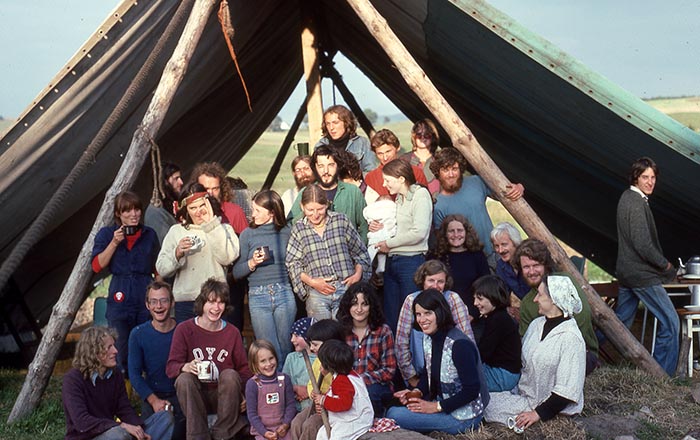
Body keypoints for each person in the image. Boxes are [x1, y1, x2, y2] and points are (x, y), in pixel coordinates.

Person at [484, 275, 586, 432]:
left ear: (554, 299)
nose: (535, 299)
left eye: (540, 294)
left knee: (485, 406)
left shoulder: (571, 338)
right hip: (526, 394)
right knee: (481, 399)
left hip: (548, 405)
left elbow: (567, 390)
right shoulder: (536, 325)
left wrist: (537, 414)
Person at [387, 290, 488, 435]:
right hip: (442, 402)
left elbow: (472, 390)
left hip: (464, 417)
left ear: (440, 312)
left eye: (428, 313)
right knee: (393, 403)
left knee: (394, 415)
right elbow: (429, 372)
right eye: (418, 314)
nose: (422, 319)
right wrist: (417, 392)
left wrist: (435, 407)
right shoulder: (429, 337)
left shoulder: (460, 345)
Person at [166, 279, 252, 440]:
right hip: (195, 395)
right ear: (202, 303)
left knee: (230, 375)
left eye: (221, 303)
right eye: (211, 302)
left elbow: (244, 369)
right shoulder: (184, 329)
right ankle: (198, 436)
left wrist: (245, 394)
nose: (216, 308)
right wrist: (184, 366)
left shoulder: (232, 332)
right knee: (183, 379)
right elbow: (171, 367)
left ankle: (222, 435)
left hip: (224, 396)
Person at [615, 157, 678, 375]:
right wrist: (666, 266)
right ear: (636, 178)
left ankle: (588, 354)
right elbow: (643, 245)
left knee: (617, 325)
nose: (650, 182)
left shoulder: (630, 198)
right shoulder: (634, 201)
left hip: (627, 273)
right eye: (645, 177)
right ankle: (661, 377)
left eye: (653, 178)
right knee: (671, 323)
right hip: (640, 275)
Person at [91, 190, 159, 375]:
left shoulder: (149, 235)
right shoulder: (106, 234)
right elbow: (97, 265)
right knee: (120, 347)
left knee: (145, 344)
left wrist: (161, 295)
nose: (133, 214)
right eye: (127, 211)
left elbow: (157, 267)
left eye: (137, 209)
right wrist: (114, 242)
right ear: (118, 214)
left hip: (144, 292)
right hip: (119, 294)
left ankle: (142, 390)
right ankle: (123, 390)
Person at [63, 326, 173, 440]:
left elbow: (124, 409)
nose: (115, 351)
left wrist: (139, 429)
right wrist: (121, 426)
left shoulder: (115, 375)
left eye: (114, 345)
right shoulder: (72, 380)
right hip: (91, 436)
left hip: (114, 431)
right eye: (109, 347)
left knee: (165, 418)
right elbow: (82, 423)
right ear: (94, 352)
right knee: (119, 434)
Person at [156, 183, 239, 322]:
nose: (199, 211)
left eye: (202, 206)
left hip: (215, 300)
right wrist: (177, 254)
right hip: (186, 301)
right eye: (193, 208)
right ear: (186, 210)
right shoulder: (177, 231)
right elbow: (162, 269)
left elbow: (227, 258)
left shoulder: (224, 229)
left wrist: (211, 225)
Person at [514, 238, 599, 373]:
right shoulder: (527, 303)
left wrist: (555, 347)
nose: (531, 271)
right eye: (526, 267)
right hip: (544, 359)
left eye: (536, 265)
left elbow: (582, 316)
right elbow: (527, 341)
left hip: (581, 352)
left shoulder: (564, 281)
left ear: (545, 265)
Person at [285, 185, 371, 319]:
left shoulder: (340, 221)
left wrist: (358, 274)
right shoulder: (299, 229)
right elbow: (292, 263)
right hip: (317, 294)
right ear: (302, 207)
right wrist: (313, 282)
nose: (315, 214)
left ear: (327, 205)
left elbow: (360, 252)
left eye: (320, 209)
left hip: (345, 289)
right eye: (310, 210)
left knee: (346, 334)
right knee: (322, 336)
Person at [431, 147, 524, 266]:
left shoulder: (476, 182)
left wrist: (519, 187)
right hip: (468, 261)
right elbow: (443, 241)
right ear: (438, 172)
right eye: (445, 170)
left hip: (495, 252)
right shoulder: (438, 204)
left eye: (454, 169)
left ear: (461, 169)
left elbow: (505, 193)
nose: (451, 174)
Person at [233, 190, 296, 362]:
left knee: (286, 346)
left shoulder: (287, 232)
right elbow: (236, 272)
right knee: (268, 348)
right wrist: (252, 262)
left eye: (257, 211)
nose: (252, 214)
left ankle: (287, 385)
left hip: (284, 291)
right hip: (258, 295)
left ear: (272, 212)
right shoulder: (248, 234)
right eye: (253, 209)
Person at [374, 158, 432, 332]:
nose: (384, 184)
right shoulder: (399, 199)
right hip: (393, 261)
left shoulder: (420, 195)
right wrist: (380, 227)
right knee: (392, 316)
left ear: (401, 179)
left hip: (411, 261)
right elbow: (398, 228)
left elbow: (419, 232)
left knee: (411, 316)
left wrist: (388, 243)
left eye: (388, 180)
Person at [395, 260, 474, 387]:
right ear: (423, 281)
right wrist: (411, 377)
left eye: (440, 282)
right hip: (421, 373)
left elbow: (467, 337)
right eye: (431, 280)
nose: (436, 286)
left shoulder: (453, 299)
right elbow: (401, 342)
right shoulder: (411, 300)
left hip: (452, 374)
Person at [128, 281, 185, 440]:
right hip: (153, 396)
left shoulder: (184, 330)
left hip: (181, 396)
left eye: (164, 300)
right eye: (153, 301)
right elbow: (134, 374)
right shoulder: (138, 334)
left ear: (172, 302)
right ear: (147, 305)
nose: (158, 306)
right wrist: (154, 401)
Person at [336, 282, 396, 417]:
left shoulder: (383, 331)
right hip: (347, 385)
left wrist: (359, 379)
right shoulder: (341, 332)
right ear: (348, 306)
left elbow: (389, 370)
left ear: (371, 307)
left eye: (364, 304)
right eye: (354, 304)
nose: (359, 309)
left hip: (376, 386)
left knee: (369, 393)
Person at [288, 146, 368, 243]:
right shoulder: (305, 192)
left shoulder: (353, 192)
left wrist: (358, 253)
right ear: (315, 168)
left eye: (330, 165)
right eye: (321, 166)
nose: (326, 171)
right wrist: (307, 211)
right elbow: (290, 225)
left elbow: (365, 226)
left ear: (337, 166)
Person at [289, 319, 346, 440]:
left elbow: (341, 395)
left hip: (333, 411)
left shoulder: (341, 365)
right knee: (296, 423)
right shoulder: (318, 361)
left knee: (310, 426)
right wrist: (313, 394)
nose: (311, 348)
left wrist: (324, 400)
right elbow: (311, 383)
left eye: (315, 345)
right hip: (318, 406)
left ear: (329, 344)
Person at [311, 340, 374, 440]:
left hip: (355, 421)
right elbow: (336, 394)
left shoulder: (342, 381)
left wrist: (323, 400)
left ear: (329, 365)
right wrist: (323, 400)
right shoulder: (348, 374)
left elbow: (344, 404)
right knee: (322, 434)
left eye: (322, 363)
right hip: (351, 418)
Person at [434, 214, 490, 319]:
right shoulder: (437, 256)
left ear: (466, 232)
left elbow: (485, 287)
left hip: (473, 312)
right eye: (451, 231)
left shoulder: (477, 255)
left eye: (460, 230)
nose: (456, 234)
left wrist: (473, 314)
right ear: (445, 234)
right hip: (444, 313)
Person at [471, 275, 521, 392]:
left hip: (503, 375)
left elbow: (483, 352)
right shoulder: (495, 316)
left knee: (460, 379)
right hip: (498, 369)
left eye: (480, 299)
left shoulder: (499, 320)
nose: (475, 303)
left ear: (493, 297)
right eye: (474, 298)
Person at [245, 340, 296, 440]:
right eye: (263, 361)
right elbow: (251, 414)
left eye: (271, 358)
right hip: (262, 431)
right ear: (255, 364)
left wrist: (285, 425)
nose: (268, 364)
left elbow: (291, 405)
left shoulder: (285, 379)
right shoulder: (252, 384)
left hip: (283, 429)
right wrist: (264, 432)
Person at [364, 129, 428, 200]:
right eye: (380, 154)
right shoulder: (371, 178)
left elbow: (424, 200)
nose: (385, 158)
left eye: (388, 151)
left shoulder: (415, 172)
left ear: (398, 148)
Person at [315, 105, 377, 174]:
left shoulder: (362, 143)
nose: (331, 127)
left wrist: (353, 178)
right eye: (328, 124)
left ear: (346, 123)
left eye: (335, 123)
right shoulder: (321, 145)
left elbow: (371, 173)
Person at [191, 161, 248, 235]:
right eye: (206, 189)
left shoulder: (235, 213)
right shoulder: (190, 213)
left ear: (222, 188)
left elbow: (246, 242)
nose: (210, 193)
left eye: (215, 189)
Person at [282, 317, 318, 411]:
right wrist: (296, 389)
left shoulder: (322, 359)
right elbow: (284, 383)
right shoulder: (291, 358)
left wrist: (308, 391)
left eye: (297, 335)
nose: (292, 340)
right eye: (292, 335)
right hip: (295, 408)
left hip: (316, 409)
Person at [145, 161, 184, 245]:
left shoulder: (172, 204)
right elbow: (166, 245)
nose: (181, 182)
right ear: (165, 182)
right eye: (176, 178)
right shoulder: (155, 212)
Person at [490, 222, 530, 300]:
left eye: (504, 244)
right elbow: (503, 294)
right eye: (497, 246)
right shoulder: (501, 267)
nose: (500, 250)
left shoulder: (529, 260)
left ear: (515, 242)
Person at [402, 119, 441, 194]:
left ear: (433, 136)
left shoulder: (440, 159)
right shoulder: (404, 159)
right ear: (414, 137)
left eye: (427, 134)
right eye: (419, 135)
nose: (423, 138)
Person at [362, 195, 396, 274]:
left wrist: (370, 220)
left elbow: (366, 213)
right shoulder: (393, 208)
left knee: (372, 252)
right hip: (388, 235)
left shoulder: (371, 209)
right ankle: (379, 268)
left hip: (376, 237)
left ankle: (368, 268)